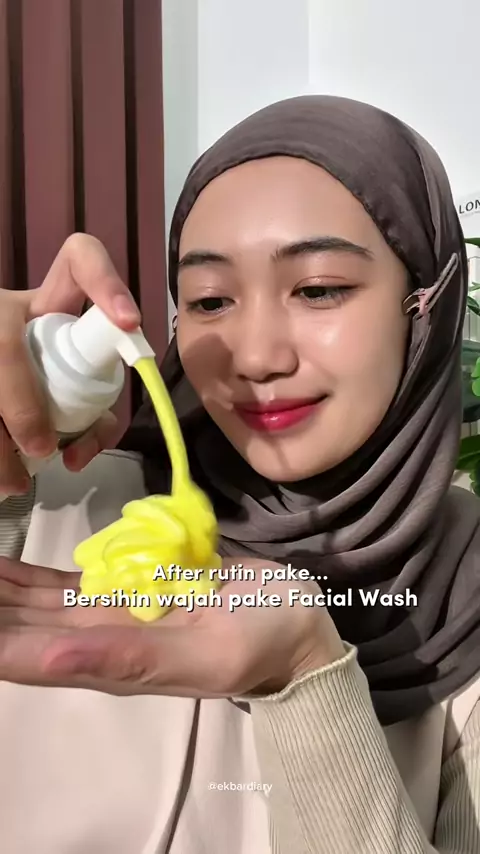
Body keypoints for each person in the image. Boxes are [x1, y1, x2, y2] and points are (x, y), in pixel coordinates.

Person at [0, 95, 479, 854]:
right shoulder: (47, 509)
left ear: (426, 304)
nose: (255, 358)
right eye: (210, 300)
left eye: (318, 289)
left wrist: (305, 672)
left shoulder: (465, 601)